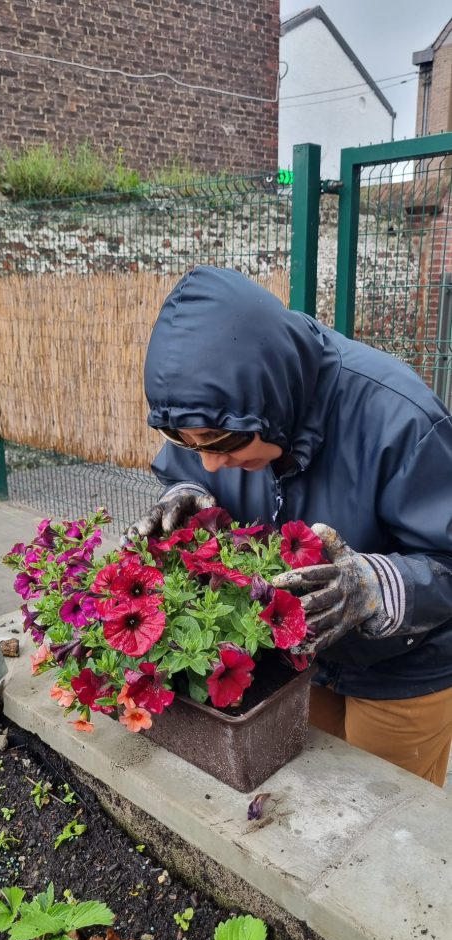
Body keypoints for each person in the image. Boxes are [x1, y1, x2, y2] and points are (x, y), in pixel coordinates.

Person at [122, 265, 452, 787]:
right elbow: (191, 471)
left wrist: (375, 586)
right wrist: (184, 497)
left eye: (224, 445)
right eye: (191, 444)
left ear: (272, 404)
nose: (209, 463)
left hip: (402, 671)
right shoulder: (223, 412)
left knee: (380, 830)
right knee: (309, 815)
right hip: (299, 658)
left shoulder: (402, 421)